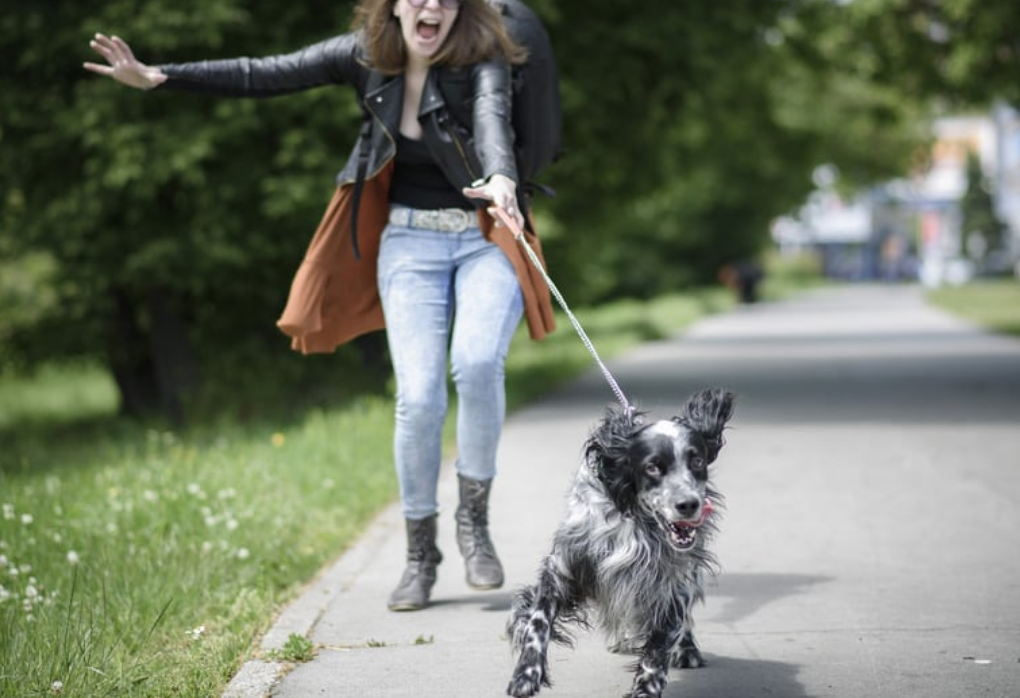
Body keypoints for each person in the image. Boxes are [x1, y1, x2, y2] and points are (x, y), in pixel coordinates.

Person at [84, 0, 556, 612]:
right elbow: (264, 72)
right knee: (417, 397)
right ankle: (420, 553)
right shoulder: (362, 54)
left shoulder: (484, 55)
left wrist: (501, 178)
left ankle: (473, 522)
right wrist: (159, 76)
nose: (431, 5)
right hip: (408, 241)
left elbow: (493, 117)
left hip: (483, 236)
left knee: (477, 363)